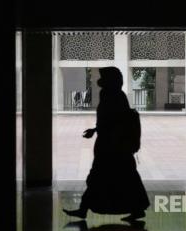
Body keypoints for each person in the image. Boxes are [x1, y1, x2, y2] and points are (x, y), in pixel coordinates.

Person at [63, 67, 150, 221]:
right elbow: (109, 119)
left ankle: (84, 209)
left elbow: (115, 120)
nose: (100, 80)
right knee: (118, 176)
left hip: (113, 146)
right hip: (110, 144)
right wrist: (96, 129)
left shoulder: (114, 95)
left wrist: (99, 131)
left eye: (103, 77)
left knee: (102, 176)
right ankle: (136, 209)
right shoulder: (111, 94)